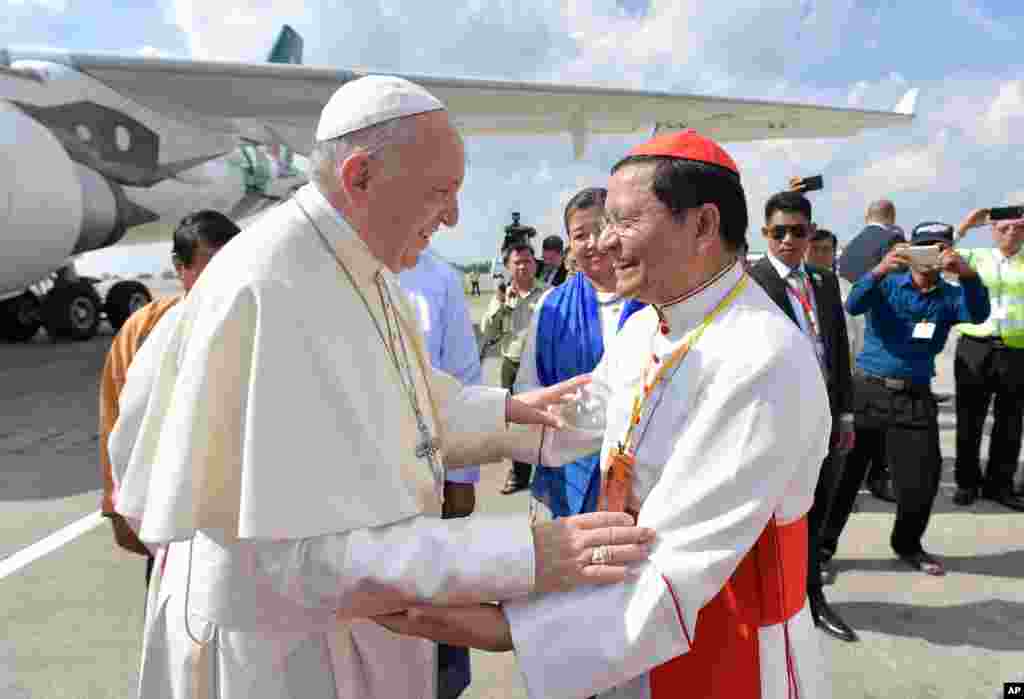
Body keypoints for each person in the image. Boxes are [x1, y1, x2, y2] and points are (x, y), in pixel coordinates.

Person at [107, 75, 654, 699]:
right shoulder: (268, 290)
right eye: (440, 192)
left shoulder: (362, 262)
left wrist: (508, 413)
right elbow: (285, 559)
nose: (452, 216)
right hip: (286, 655)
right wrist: (522, 554)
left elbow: (403, 400)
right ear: (361, 176)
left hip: (358, 630)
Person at [377, 130, 833, 699]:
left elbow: (680, 560)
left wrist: (503, 626)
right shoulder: (649, 322)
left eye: (623, 222)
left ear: (703, 225)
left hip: (725, 641)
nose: (605, 243)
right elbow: (570, 424)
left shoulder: (760, 357)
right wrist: (418, 424)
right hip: (629, 614)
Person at [822, 222, 990, 577]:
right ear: (909, 249)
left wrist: (968, 275)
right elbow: (853, 304)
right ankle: (822, 548)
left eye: (939, 247)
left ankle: (908, 544)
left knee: (922, 480)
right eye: (924, 246)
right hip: (868, 390)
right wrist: (880, 268)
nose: (931, 254)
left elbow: (977, 315)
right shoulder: (886, 282)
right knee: (845, 478)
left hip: (914, 395)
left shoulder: (949, 295)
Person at [98, 210, 240, 585]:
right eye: (211, 264)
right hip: (169, 518)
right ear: (180, 268)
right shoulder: (145, 329)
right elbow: (117, 419)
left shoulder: (260, 319)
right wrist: (118, 504)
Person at [748, 191, 857, 643]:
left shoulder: (824, 280)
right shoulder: (749, 284)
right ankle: (769, 599)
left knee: (816, 510)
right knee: (771, 515)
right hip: (775, 421)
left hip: (826, 419)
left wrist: (846, 413)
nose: (789, 240)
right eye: (779, 232)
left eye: (798, 231)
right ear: (765, 235)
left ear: (811, 233)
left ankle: (811, 596)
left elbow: (838, 349)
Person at [514, 187, 645, 519]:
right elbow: (528, 389)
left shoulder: (654, 299)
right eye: (580, 235)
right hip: (570, 470)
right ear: (570, 244)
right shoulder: (551, 308)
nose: (591, 243)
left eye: (600, 229)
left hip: (645, 475)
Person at [397, 243, 483, 699]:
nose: (448, 216)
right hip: (356, 498)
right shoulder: (326, 268)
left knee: (438, 628)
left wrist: (462, 478)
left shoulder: (439, 279)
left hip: (429, 484)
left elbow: (463, 380)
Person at [950, 209, 1024, 511]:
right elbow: (936, 253)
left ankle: (1000, 485)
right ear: (992, 230)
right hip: (975, 346)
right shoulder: (975, 256)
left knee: (1010, 421)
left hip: (1016, 349)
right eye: (1004, 228)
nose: (1011, 233)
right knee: (970, 420)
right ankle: (967, 482)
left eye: (1018, 228)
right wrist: (966, 224)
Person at [481, 242, 548, 494]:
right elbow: (489, 331)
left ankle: (548, 475)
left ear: (535, 263)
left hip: (541, 364)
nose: (523, 266)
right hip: (512, 363)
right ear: (508, 267)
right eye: (517, 262)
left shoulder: (549, 293)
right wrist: (500, 303)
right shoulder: (502, 296)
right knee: (515, 421)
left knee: (546, 418)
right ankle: (519, 475)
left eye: (528, 261)